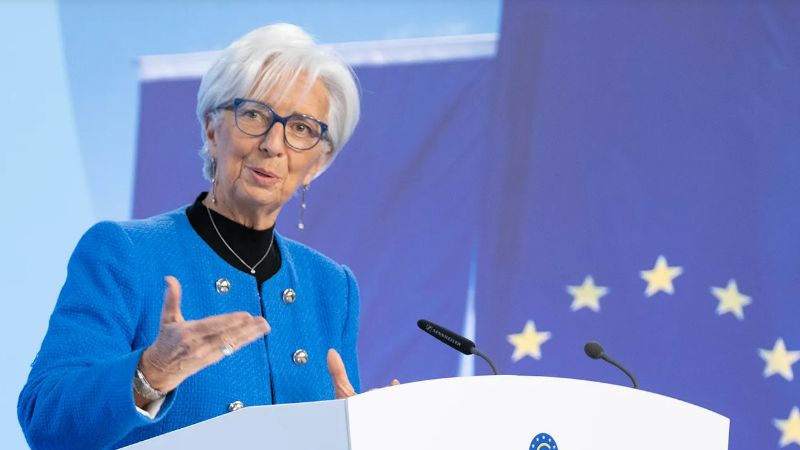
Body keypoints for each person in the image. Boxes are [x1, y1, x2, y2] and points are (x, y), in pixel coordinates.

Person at [18, 23, 365, 449]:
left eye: (301, 129)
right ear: (212, 129)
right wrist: (150, 374)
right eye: (254, 115)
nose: (273, 144)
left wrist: (368, 427)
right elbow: (45, 422)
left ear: (318, 163)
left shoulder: (332, 287)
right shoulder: (124, 253)